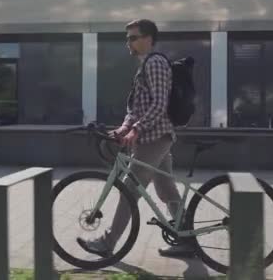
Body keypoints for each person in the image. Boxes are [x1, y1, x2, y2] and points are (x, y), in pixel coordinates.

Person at [77, 19, 196, 258]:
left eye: (133, 37)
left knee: (129, 189)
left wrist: (137, 130)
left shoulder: (156, 64)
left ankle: (107, 243)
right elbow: (136, 107)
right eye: (127, 38)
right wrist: (123, 128)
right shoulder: (144, 66)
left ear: (148, 39)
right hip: (151, 135)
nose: (128, 43)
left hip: (155, 136)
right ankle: (187, 240)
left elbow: (159, 105)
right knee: (166, 191)